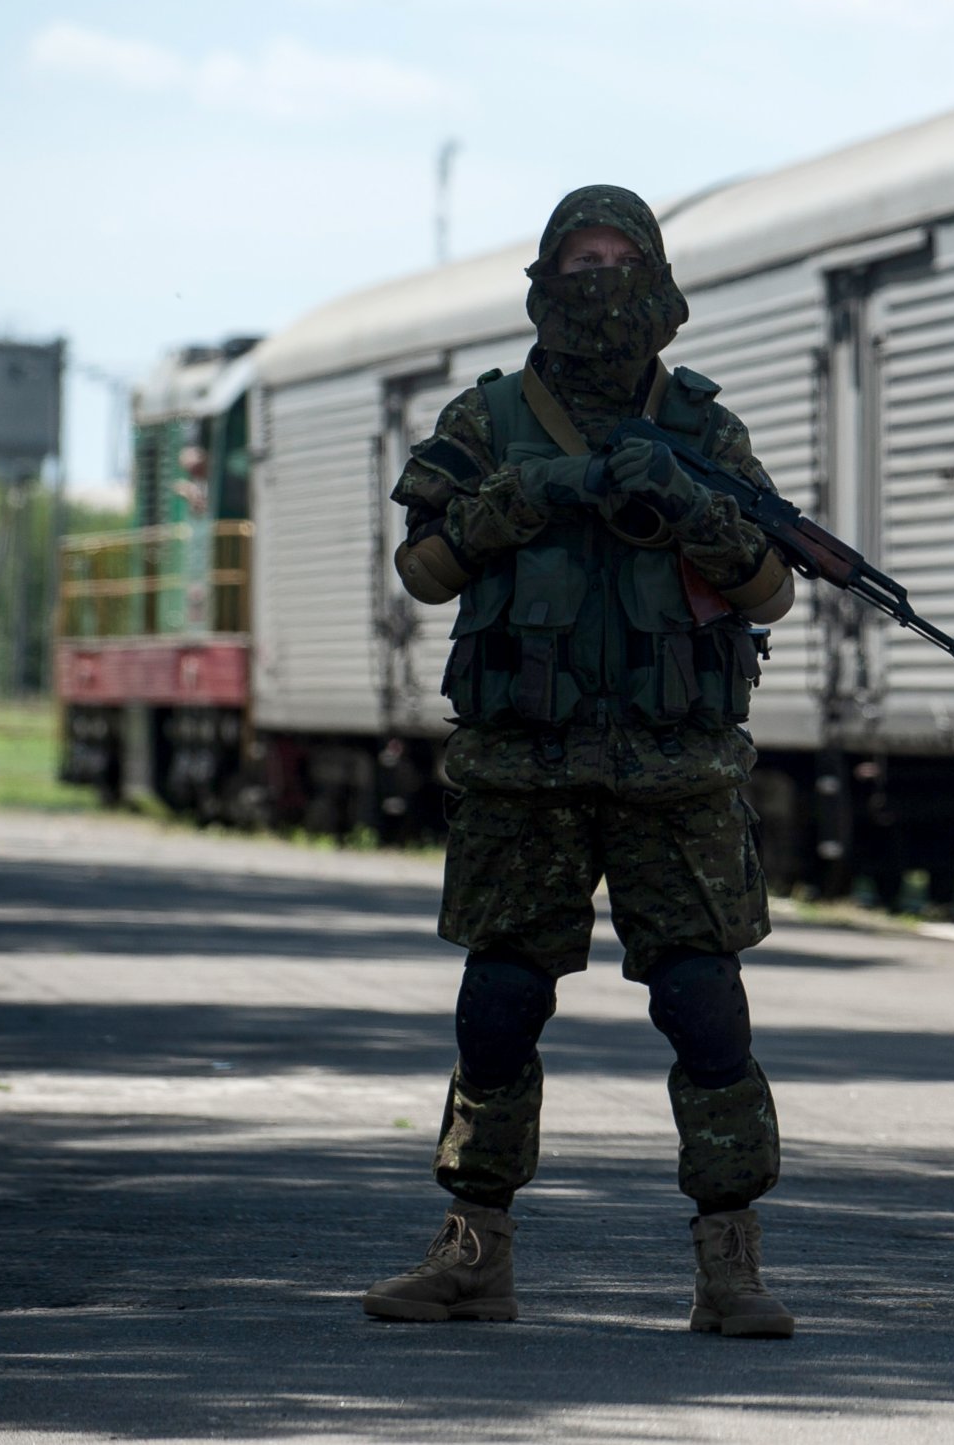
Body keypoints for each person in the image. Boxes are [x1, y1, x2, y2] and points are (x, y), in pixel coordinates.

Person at [362, 185, 800, 1336]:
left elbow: (772, 588)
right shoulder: (487, 419)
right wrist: (528, 496)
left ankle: (730, 1264)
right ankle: (473, 1252)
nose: (598, 279)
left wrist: (692, 508)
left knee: (707, 1011)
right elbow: (422, 569)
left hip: (677, 776)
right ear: (546, 279)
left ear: (654, 278)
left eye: (619, 257)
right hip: (523, 774)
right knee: (497, 1008)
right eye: (578, 258)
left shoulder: (703, 429)